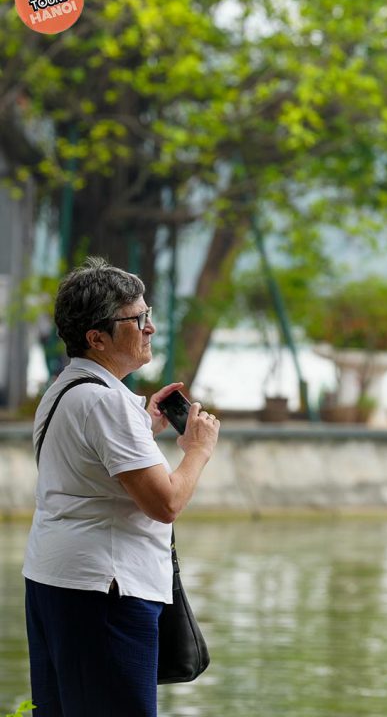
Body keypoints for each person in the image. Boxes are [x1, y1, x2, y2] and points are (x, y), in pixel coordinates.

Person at [22, 257, 220, 717]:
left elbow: (87, 469)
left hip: (56, 580)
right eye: (138, 320)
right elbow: (165, 503)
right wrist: (198, 450)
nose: (150, 328)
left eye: (147, 316)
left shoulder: (66, 388)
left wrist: (143, 425)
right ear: (97, 338)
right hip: (105, 590)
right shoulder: (107, 403)